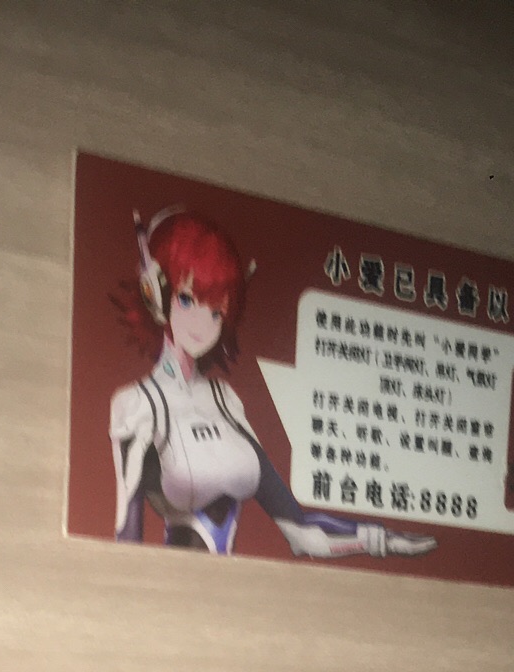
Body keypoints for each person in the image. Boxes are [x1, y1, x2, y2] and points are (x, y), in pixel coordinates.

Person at [110, 207, 435, 562]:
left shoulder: (225, 400)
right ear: (155, 293)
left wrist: (379, 540)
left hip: (234, 586)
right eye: (188, 300)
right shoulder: (138, 405)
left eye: (216, 311)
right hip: (176, 587)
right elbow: (127, 542)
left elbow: (301, 532)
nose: (202, 323)